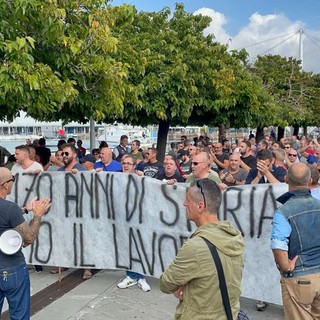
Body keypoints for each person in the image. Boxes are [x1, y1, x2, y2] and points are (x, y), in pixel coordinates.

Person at [160, 178, 244, 319]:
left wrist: (183, 287)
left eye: (188, 200)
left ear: (200, 206)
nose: (184, 203)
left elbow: (166, 283)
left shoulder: (195, 247)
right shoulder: (235, 236)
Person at [0, 167, 51, 319]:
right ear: (5, 185)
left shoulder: (12, 210)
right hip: (11, 268)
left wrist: (24, 210)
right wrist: (37, 215)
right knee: (19, 315)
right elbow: (28, 238)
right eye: (12, 179)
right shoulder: (10, 209)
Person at [271, 163, 320, 319]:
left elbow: (278, 245)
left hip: (300, 277)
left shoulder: (283, 212)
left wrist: (286, 267)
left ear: (286, 179)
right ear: (310, 180)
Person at [116, 155, 151, 292]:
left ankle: (140, 276)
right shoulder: (116, 178)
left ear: (134, 166)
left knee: (139, 246)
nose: (125, 166)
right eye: (123, 163)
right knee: (126, 248)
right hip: (122, 219)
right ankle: (131, 276)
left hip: (139, 219)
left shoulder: (140, 179)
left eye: (128, 164)